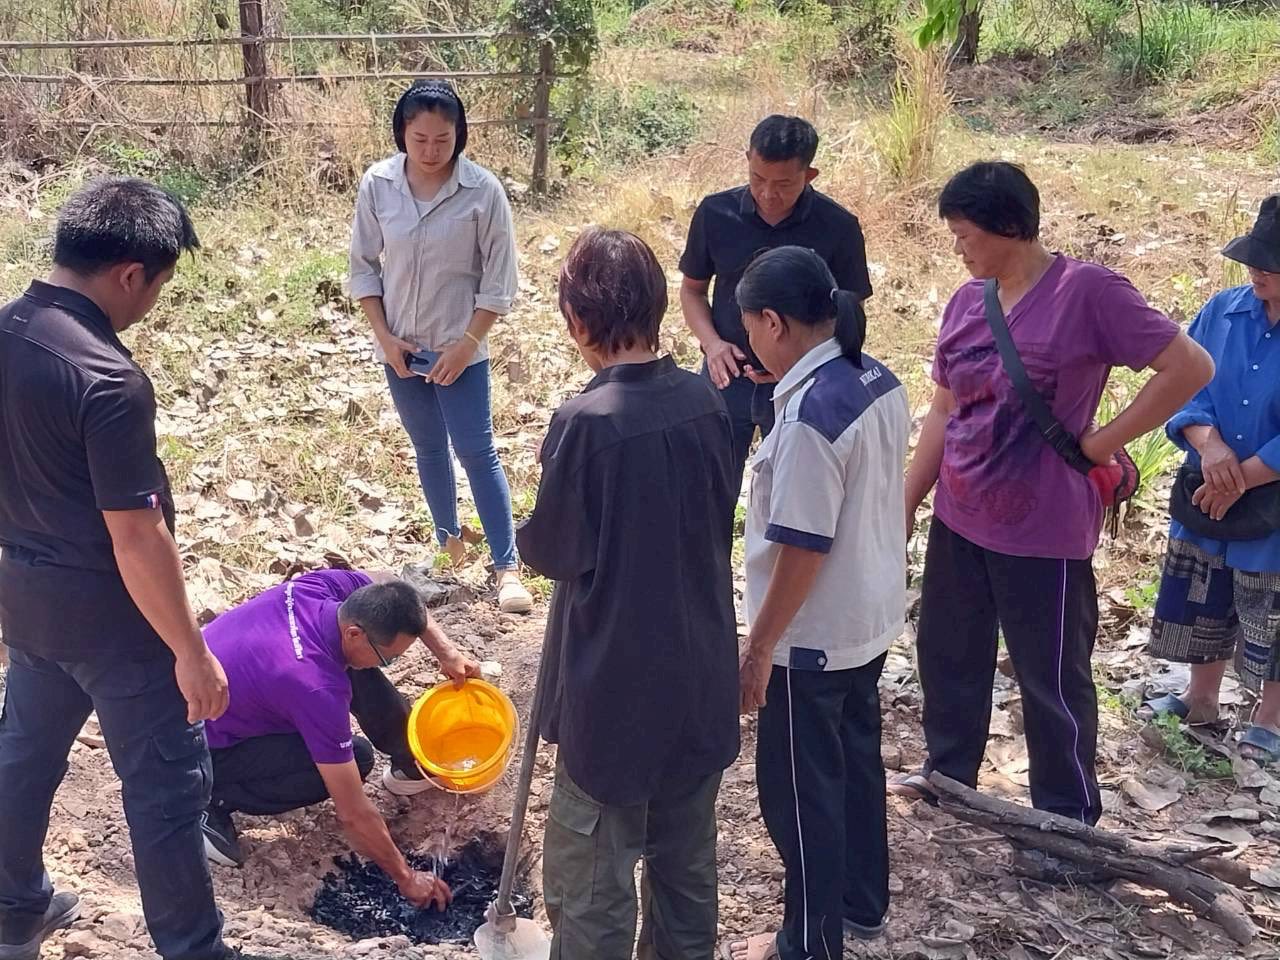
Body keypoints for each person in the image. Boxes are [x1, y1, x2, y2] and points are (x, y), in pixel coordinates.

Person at [894, 162, 1214, 835]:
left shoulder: (1087, 293)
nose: (958, 248)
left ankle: (1064, 823)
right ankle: (950, 779)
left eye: (965, 234)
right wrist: (906, 504)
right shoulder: (965, 302)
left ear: (1009, 227)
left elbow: (1189, 366)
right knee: (949, 658)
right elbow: (944, 412)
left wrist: (1103, 441)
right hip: (960, 517)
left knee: (1052, 682)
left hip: (1044, 530)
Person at [0, 179, 246, 960]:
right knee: (167, 791)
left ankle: (12, 910)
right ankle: (194, 951)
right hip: (116, 620)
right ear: (132, 274)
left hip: (29, 600)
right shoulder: (106, 379)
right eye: (160, 286)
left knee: (25, 755)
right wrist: (190, 650)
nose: (152, 303)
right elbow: (137, 539)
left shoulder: (6, 331)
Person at [517, 229, 739, 960]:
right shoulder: (707, 404)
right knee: (685, 875)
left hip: (615, 694)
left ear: (579, 321)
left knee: (592, 890)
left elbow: (551, 551)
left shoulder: (587, 425)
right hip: (700, 677)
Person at [724, 247, 909, 960]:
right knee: (857, 766)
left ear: (773, 322)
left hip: (812, 637)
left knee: (799, 797)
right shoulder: (874, 377)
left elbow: (802, 548)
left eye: (749, 329)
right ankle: (863, 903)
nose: (747, 346)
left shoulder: (806, 419)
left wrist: (759, 648)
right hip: (868, 616)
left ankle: (809, 942)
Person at [349, 79, 532, 615]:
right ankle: (447, 544)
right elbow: (364, 267)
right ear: (402, 133)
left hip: (462, 353)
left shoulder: (482, 192)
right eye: (420, 139)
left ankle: (506, 566)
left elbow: (500, 282)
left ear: (460, 136)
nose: (431, 151)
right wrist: (385, 339)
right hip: (401, 349)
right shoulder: (379, 185)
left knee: (477, 451)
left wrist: (467, 344)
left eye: (443, 140)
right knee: (428, 447)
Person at [197, 570, 474, 909]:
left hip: (235, 693)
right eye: (391, 658)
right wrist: (406, 877)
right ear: (355, 632)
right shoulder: (315, 686)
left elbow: (391, 584)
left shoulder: (320, 590)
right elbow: (353, 813)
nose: (392, 663)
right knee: (355, 760)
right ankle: (207, 799)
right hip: (192, 743)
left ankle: (411, 761)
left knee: (357, 668)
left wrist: (446, 652)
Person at [1140, 195, 1280, 762]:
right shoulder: (1222, 310)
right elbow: (1185, 389)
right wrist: (1210, 444)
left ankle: (1270, 720)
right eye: (1255, 261)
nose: (1258, 272)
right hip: (1208, 486)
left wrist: (1240, 477)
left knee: (1272, 609)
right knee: (1205, 590)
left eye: (1272, 265)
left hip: (1264, 498)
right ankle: (1202, 699)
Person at [679, 114, 873, 499]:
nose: (768, 193)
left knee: (790, 496)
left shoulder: (838, 227)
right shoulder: (716, 214)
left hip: (802, 385)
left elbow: (850, 309)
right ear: (747, 159)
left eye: (783, 184)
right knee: (706, 491)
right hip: (725, 374)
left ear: (810, 174)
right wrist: (713, 345)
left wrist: (800, 363)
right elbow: (692, 291)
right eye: (757, 179)